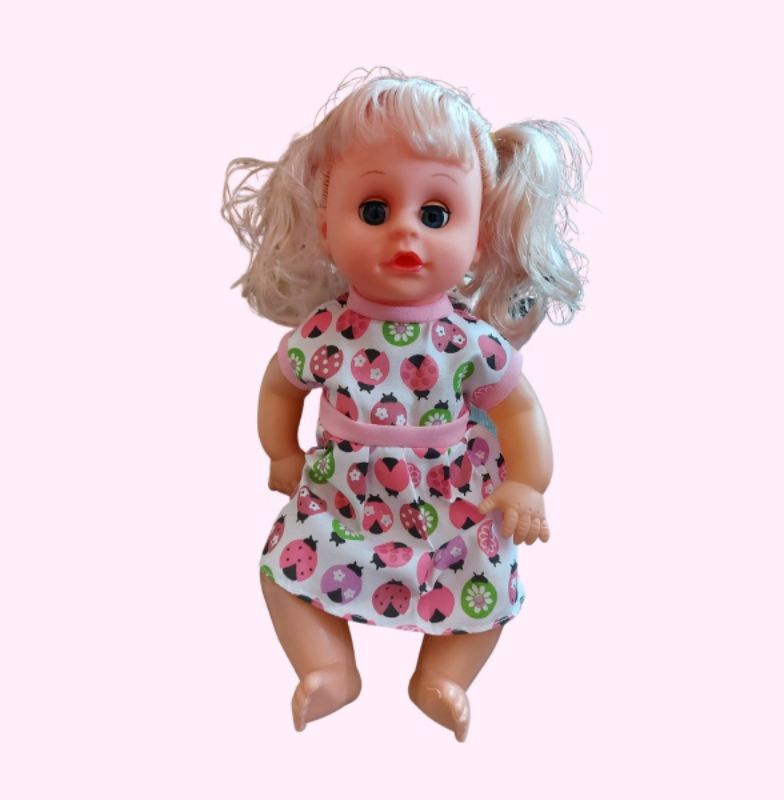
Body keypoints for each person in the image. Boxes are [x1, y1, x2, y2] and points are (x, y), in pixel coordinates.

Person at [222, 68, 589, 741]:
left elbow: (520, 411)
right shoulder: (327, 331)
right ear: (325, 226)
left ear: (479, 236)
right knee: (285, 568)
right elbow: (279, 384)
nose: (405, 234)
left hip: (450, 503)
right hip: (341, 499)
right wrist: (280, 450)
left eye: (436, 215)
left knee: (487, 575)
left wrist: (527, 482)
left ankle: (444, 676)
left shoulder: (469, 341)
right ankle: (329, 667)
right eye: (373, 211)